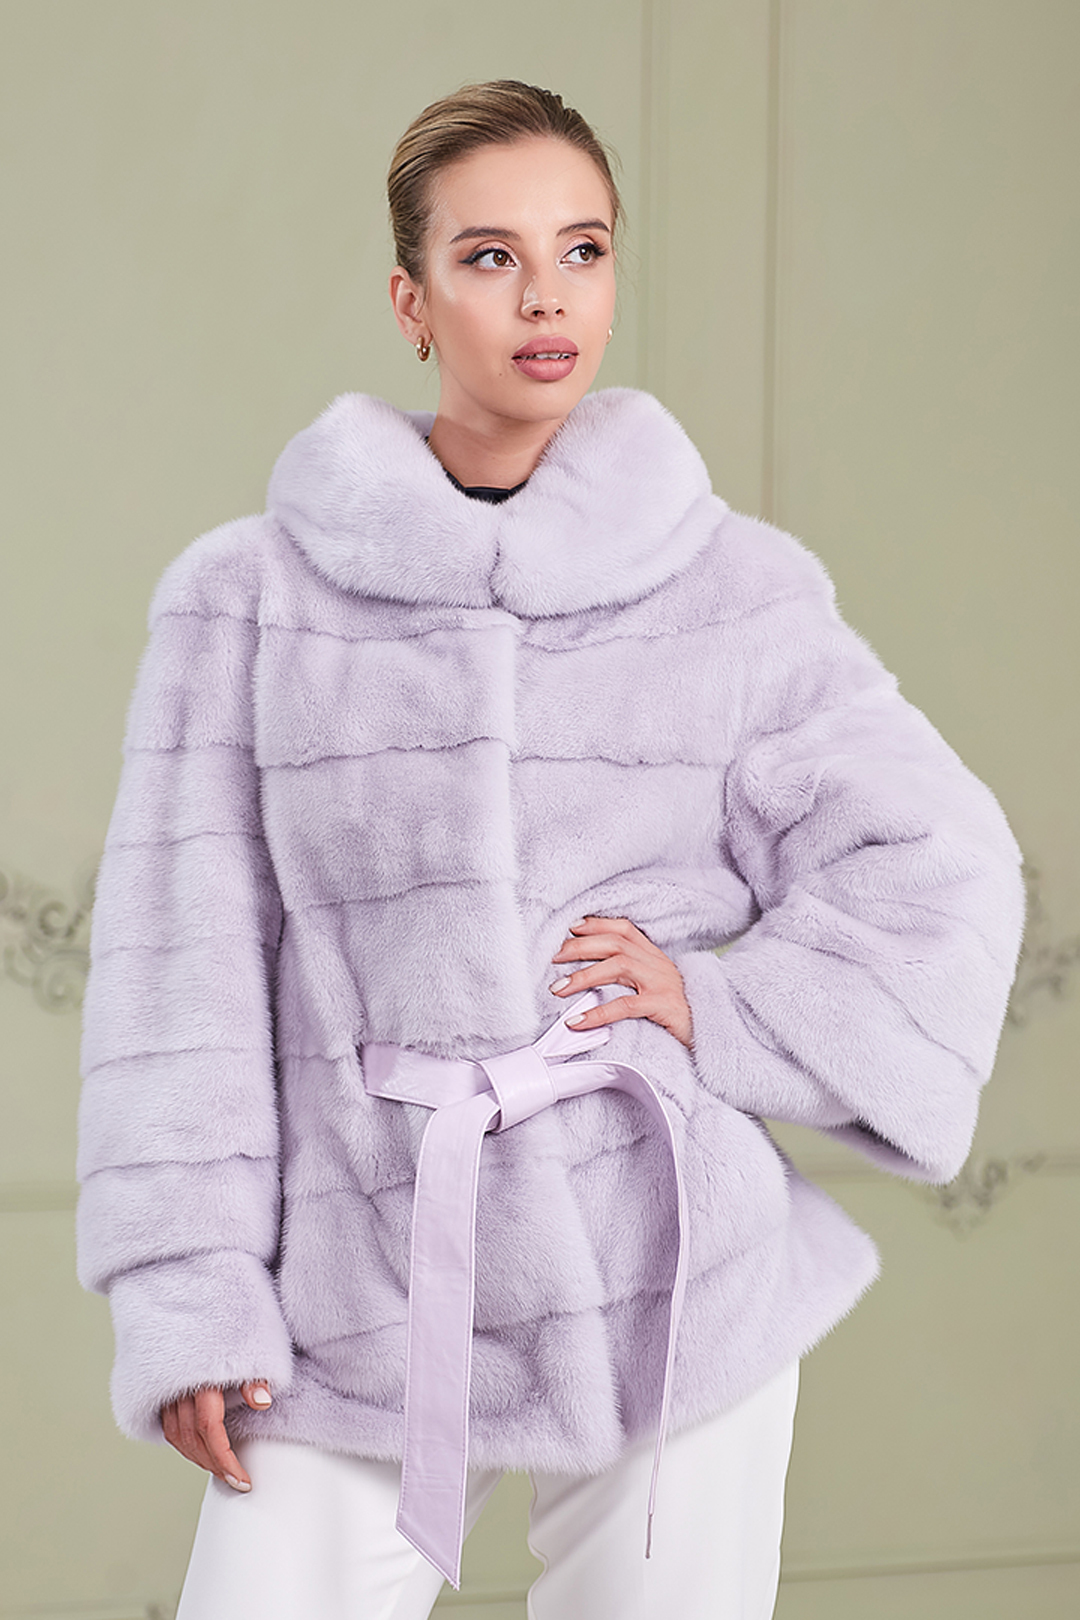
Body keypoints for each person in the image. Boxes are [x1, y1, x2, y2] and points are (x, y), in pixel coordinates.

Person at [75, 80, 1025, 1620]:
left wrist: (723, 1008)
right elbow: (180, 969)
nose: (545, 298)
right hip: (362, 1272)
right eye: (490, 257)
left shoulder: (734, 591)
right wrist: (189, 1297)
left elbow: (938, 860)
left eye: (581, 251)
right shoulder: (248, 599)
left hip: (670, 1267)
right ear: (411, 300)